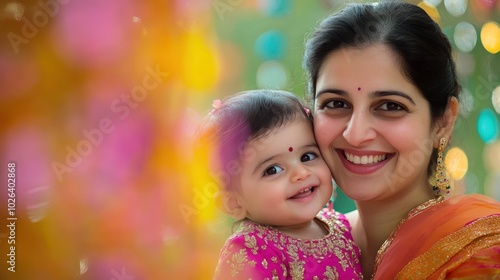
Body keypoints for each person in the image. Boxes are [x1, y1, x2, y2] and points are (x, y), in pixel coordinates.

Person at [303, 1, 500, 279]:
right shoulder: (292, 249)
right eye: (336, 103)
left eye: (390, 106)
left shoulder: (480, 252)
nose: (355, 134)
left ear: (443, 122)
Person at [197, 90, 362, 279]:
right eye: (273, 170)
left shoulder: (340, 226)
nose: (301, 173)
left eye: (307, 156)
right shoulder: (250, 251)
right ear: (233, 202)